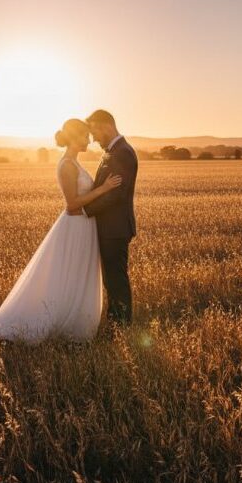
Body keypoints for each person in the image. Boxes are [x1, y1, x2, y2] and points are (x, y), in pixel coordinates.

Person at [0, 118, 122, 344]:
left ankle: (75, 318)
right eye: (85, 136)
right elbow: (72, 204)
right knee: (67, 276)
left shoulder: (74, 162)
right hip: (75, 227)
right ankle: (60, 320)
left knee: (74, 276)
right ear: (75, 137)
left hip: (84, 227)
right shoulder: (66, 164)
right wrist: (104, 189)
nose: (88, 140)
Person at [75, 109, 138, 326]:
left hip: (115, 228)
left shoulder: (123, 153)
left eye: (94, 132)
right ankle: (115, 321)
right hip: (110, 227)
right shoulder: (113, 151)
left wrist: (85, 210)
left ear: (106, 126)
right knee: (111, 279)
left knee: (116, 280)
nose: (93, 139)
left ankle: (121, 326)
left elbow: (115, 193)